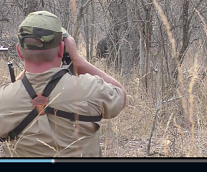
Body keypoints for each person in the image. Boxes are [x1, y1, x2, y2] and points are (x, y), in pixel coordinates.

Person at [0, 10, 126, 157]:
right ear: (61, 49)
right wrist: (78, 60)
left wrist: (27, 74)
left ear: (19, 52)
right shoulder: (90, 88)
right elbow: (120, 94)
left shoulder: (4, 100)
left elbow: (15, 90)